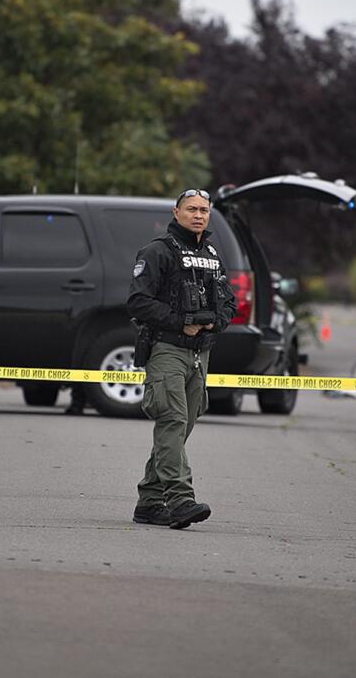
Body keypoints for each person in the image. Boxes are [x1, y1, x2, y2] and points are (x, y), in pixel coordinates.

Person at [127, 188, 236, 530]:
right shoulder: (158, 252)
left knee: (180, 427)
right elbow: (138, 302)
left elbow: (229, 303)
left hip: (200, 354)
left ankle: (149, 501)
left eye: (204, 209)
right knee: (172, 421)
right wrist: (183, 322)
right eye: (191, 209)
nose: (199, 215)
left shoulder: (211, 255)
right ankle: (180, 499)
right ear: (176, 213)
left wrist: (214, 322)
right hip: (167, 350)